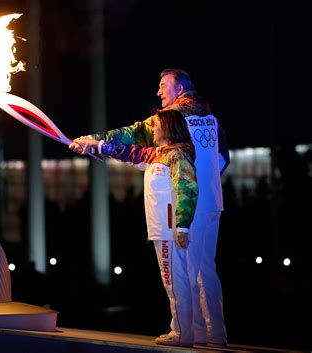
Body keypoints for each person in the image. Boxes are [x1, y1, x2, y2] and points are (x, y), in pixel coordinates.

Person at [72, 68, 228, 346]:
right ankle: (213, 331)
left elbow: (133, 136)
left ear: (179, 88)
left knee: (182, 269)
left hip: (182, 203)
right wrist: (206, 182)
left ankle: (186, 331)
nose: (159, 91)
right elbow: (223, 158)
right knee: (205, 267)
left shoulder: (172, 119)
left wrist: (95, 140)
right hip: (210, 201)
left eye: (163, 85)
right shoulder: (211, 118)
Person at [71, 110, 199, 347]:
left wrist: (182, 226)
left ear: (169, 128)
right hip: (162, 228)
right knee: (173, 278)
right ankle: (187, 330)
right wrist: (92, 144)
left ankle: (182, 332)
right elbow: (128, 152)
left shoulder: (177, 155)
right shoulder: (157, 154)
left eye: (157, 125)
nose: (152, 129)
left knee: (174, 279)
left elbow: (187, 188)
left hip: (170, 229)